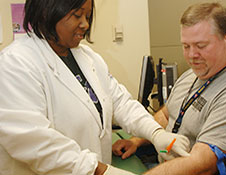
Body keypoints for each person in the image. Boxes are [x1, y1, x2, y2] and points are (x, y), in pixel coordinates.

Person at [0, 0, 192, 174]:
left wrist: (156, 133)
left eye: (88, 16)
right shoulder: (16, 63)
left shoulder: (88, 58)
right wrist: (98, 170)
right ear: (46, 12)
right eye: (77, 15)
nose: (85, 24)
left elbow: (121, 102)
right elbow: (32, 141)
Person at [112, 2, 226, 175]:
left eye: (201, 46)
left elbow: (202, 165)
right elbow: (166, 114)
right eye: (186, 46)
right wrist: (137, 141)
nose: (192, 55)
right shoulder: (193, 74)